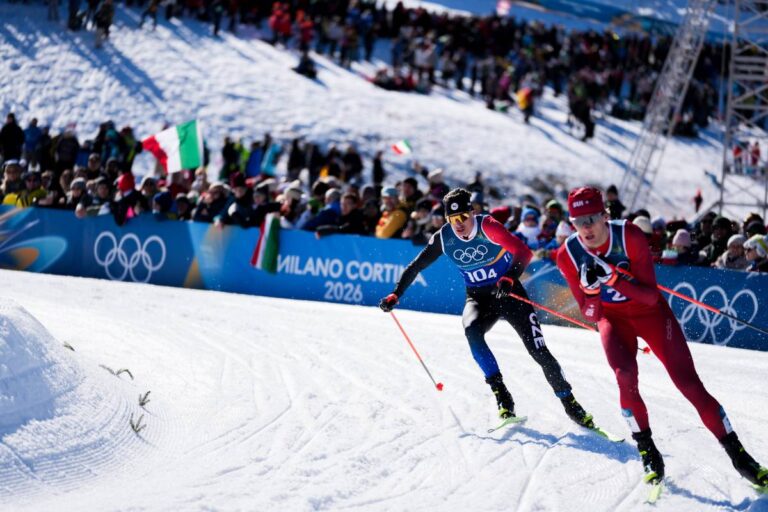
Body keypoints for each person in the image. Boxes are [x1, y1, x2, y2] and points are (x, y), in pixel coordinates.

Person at [555, 186, 768, 488]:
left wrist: (613, 278)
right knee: (625, 376)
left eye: (591, 218)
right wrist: (590, 290)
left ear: (605, 215)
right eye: (578, 221)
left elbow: (650, 297)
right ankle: (647, 450)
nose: (586, 227)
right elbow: (590, 314)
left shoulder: (628, 236)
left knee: (688, 383)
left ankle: (740, 457)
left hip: (651, 315)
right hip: (613, 320)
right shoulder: (567, 255)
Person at [379, 188, 595, 428]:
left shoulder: (488, 226)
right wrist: (396, 293)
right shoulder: (444, 237)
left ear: (472, 212)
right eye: (452, 219)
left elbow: (523, 252)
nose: (458, 224)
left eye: (463, 216)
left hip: (509, 294)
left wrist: (509, 277)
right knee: (471, 330)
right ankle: (502, 395)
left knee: (538, 351)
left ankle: (570, 403)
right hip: (478, 298)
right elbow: (417, 265)